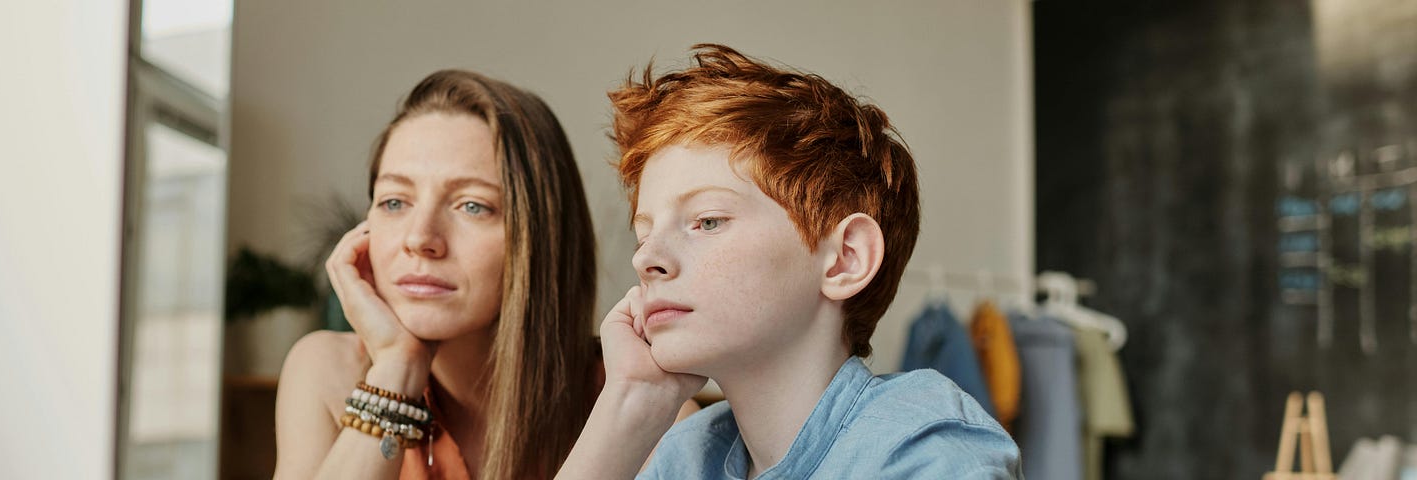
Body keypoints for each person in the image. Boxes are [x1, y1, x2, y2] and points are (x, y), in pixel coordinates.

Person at [559, 44, 1023, 479]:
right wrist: (631, 401)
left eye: (707, 221)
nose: (647, 259)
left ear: (845, 258)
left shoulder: (923, 451)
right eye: (644, 234)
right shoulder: (689, 454)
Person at [275, 69, 692, 480]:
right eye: (394, 202)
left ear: (541, 237)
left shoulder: (645, 399)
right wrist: (395, 369)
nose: (421, 239)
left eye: (473, 206)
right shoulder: (327, 371)